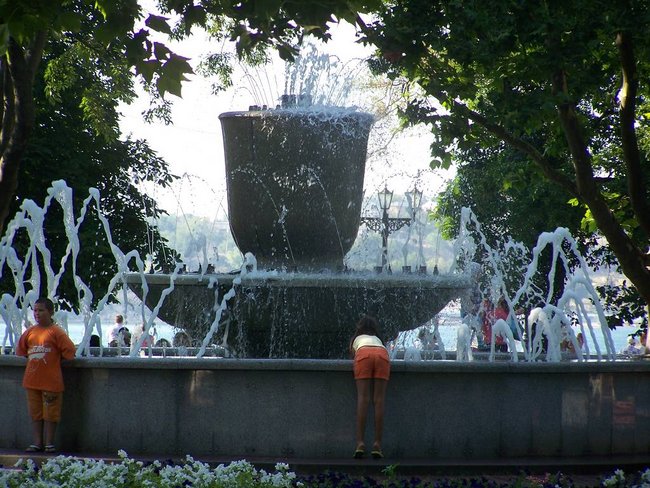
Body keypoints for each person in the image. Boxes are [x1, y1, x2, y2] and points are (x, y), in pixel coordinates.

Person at [15, 297, 76, 454]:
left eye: (41, 310)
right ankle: (37, 443)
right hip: (31, 381)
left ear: (50, 312)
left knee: (51, 413)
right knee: (35, 413)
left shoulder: (56, 332)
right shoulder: (30, 332)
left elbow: (69, 352)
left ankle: (49, 443)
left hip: (51, 381)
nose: (37, 313)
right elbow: (21, 350)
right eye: (35, 310)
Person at [349, 315, 390, 459]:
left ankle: (360, 443)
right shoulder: (378, 340)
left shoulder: (356, 339)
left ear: (359, 327)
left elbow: (352, 355)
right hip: (382, 355)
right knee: (379, 401)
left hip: (363, 353)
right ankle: (377, 444)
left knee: (363, 399)